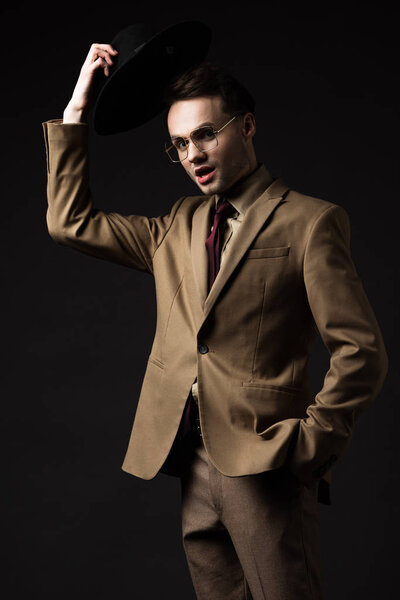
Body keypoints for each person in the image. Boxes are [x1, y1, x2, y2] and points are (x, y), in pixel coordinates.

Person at [42, 34, 388, 600]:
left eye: (206, 134)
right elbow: (70, 222)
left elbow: (362, 352)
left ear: (246, 127)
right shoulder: (177, 224)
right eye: (179, 144)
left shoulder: (309, 222)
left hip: (268, 467)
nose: (193, 155)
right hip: (191, 468)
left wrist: (307, 447)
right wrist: (76, 111)